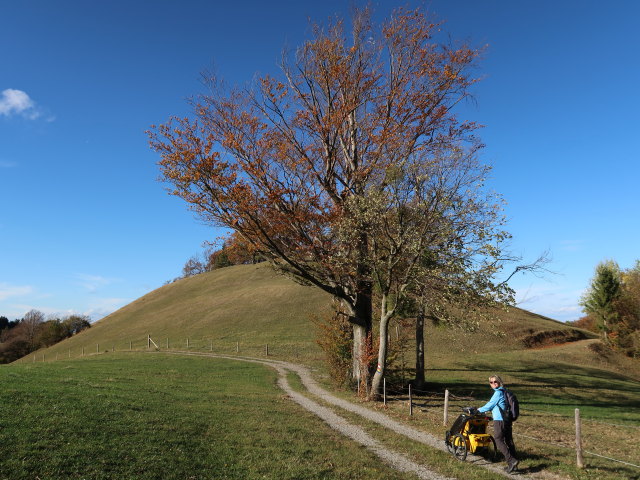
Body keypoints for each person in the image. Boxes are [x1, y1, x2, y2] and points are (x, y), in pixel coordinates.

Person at [477, 375, 519, 473]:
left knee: (498, 439)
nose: (493, 384)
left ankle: (512, 461)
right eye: (491, 382)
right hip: (507, 419)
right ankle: (514, 464)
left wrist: (479, 410)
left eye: (495, 381)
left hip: (500, 420)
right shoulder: (505, 391)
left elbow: (490, 404)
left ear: (499, 382)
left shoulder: (498, 393)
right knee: (509, 441)